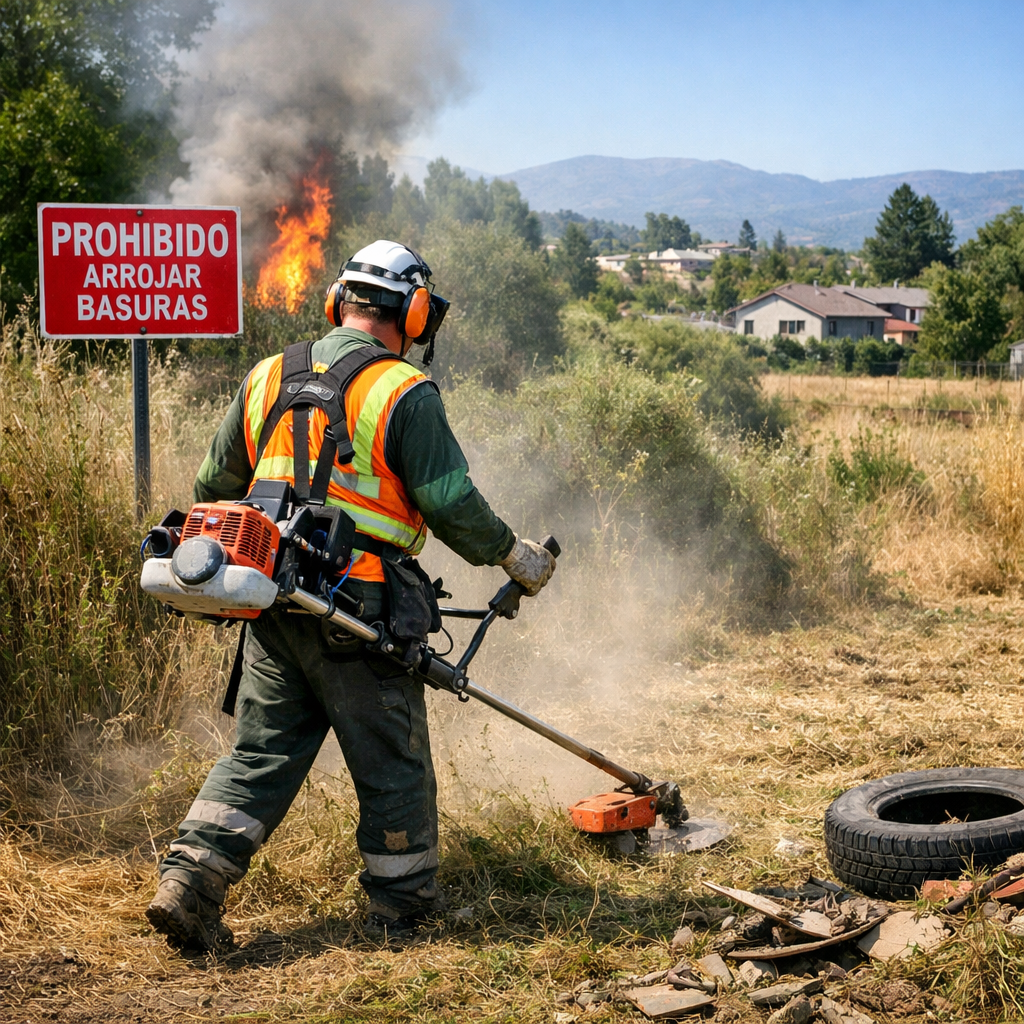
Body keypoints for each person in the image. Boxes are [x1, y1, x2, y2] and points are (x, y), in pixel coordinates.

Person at [145, 240, 555, 950]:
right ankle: (402, 911)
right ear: (416, 312)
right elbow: (449, 501)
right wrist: (512, 555)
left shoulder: (269, 373)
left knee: (261, 752)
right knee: (390, 758)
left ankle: (188, 882)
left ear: (340, 301)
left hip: (271, 596)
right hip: (360, 605)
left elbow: (214, 487)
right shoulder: (404, 390)